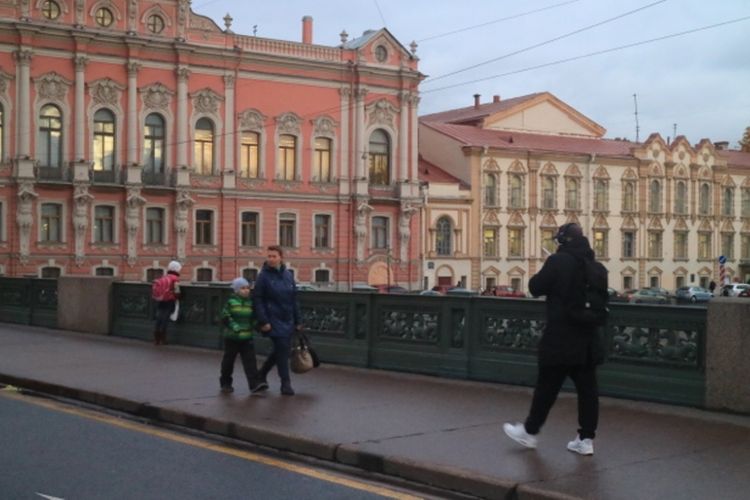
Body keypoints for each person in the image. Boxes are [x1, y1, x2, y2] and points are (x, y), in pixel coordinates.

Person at [503, 223, 605, 456]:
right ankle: (586, 439)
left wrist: (549, 265)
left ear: (563, 242)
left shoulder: (558, 262)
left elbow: (535, 287)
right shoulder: (597, 267)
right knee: (588, 392)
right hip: (588, 340)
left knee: (547, 388)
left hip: (560, 338)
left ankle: (529, 433)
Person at [253, 246, 302, 396]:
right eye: (269, 256)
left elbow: (294, 298)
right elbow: (258, 299)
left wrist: (298, 320)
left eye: (274, 256)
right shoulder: (263, 276)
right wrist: (263, 321)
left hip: (287, 318)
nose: (271, 259)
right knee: (282, 350)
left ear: (281, 257)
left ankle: (261, 374)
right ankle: (285, 384)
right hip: (272, 319)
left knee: (281, 350)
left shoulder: (288, 275)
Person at [219, 278, 269, 395]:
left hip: (247, 337)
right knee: (228, 361)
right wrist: (235, 327)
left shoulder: (250, 303)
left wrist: (259, 327)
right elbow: (225, 316)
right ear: (236, 290)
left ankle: (254, 385)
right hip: (232, 337)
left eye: (247, 288)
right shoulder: (231, 302)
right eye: (243, 288)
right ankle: (226, 383)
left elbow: (252, 320)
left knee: (250, 361)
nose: (246, 291)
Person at [153, 260, 182, 345]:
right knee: (165, 319)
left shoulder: (164, 277)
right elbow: (177, 291)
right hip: (169, 300)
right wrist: (179, 297)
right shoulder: (175, 278)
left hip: (160, 300)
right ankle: (163, 339)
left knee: (159, 318)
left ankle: (156, 339)